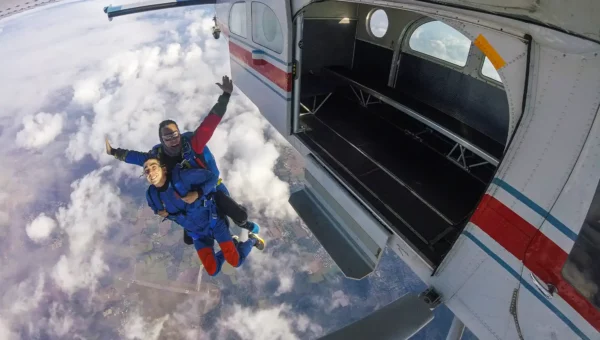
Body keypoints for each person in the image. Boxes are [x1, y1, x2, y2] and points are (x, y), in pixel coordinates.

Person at [105, 75, 258, 244]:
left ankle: (249, 227)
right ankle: (229, 238)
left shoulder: (193, 144)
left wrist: (225, 97)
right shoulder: (158, 156)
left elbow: (209, 124)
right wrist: (114, 152)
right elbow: (137, 157)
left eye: (175, 135)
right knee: (191, 238)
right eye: (167, 137)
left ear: (179, 133)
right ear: (161, 140)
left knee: (237, 214)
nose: (173, 139)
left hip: (210, 186)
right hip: (188, 198)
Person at [143, 156, 265, 276]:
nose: (151, 173)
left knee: (235, 261)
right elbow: (155, 208)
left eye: (154, 167)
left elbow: (212, 178)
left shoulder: (182, 178)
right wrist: (162, 213)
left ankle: (253, 239)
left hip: (214, 223)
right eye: (147, 171)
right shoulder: (152, 195)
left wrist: (198, 193)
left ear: (163, 169)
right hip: (196, 233)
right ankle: (234, 241)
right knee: (212, 270)